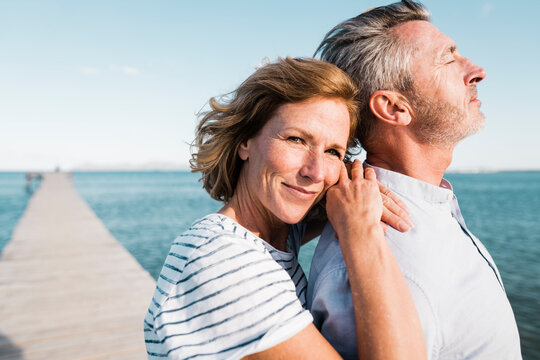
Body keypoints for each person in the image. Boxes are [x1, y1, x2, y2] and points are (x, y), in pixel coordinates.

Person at [144, 57, 426, 359]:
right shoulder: (220, 258)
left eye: (333, 151)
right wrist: (361, 232)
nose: (315, 172)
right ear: (245, 141)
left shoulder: (274, 234)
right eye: (296, 139)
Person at [307, 1, 522, 359]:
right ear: (393, 107)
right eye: (448, 59)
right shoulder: (377, 266)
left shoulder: (427, 208)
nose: (478, 71)